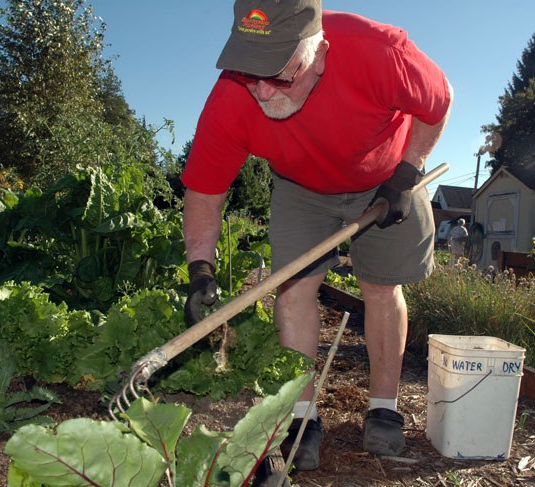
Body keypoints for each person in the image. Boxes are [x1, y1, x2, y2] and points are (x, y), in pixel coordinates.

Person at [181, 0, 452, 470]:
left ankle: (383, 407)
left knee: (382, 288)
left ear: (321, 53)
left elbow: (438, 102)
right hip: (301, 187)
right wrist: (200, 269)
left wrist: (408, 173)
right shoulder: (232, 95)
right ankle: (303, 417)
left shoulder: (378, 51)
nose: (263, 93)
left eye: (281, 76)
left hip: (384, 176)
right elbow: (205, 191)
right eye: (251, 73)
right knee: (292, 289)